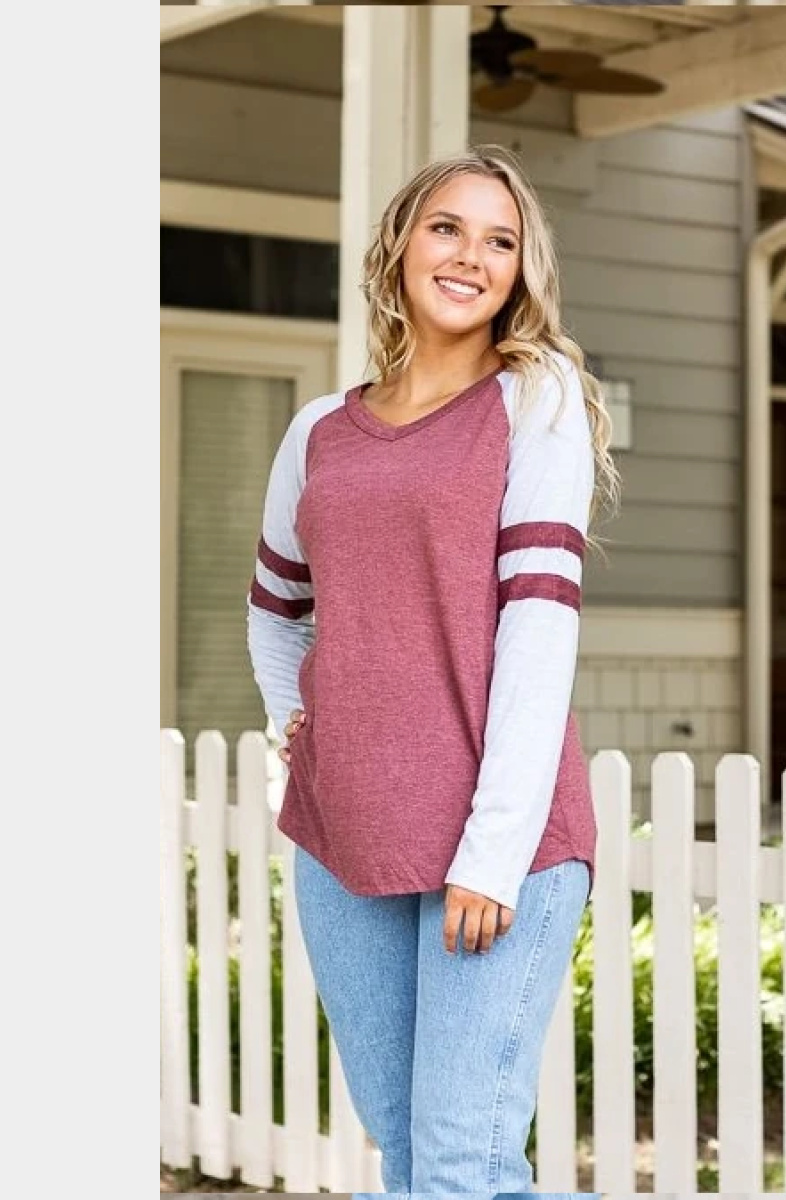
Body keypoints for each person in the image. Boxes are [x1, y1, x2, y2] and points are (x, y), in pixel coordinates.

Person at [245, 145, 621, 1199]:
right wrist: (299, 737)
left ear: (521, 273)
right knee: (409, 1152)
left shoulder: (531, 401)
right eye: (447, 228)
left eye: (500, 241)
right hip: (345, 832)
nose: (471, 257)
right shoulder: (321, 430)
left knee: (464, 1160)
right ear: (402, 244)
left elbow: (539, 630)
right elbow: (276, 610)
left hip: (500, 846)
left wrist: (492, 853)